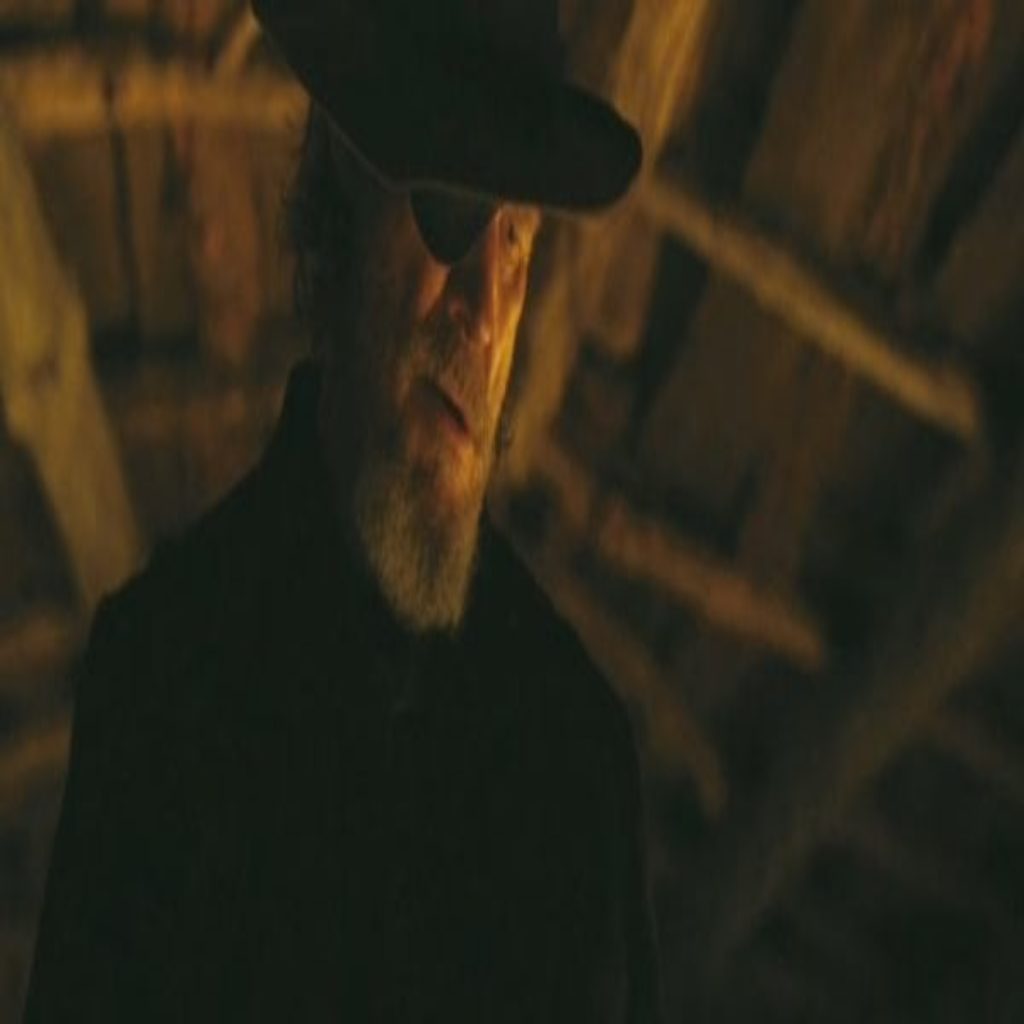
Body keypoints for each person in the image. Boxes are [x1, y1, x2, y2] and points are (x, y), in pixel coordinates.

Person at [25, 0, 660, 1020]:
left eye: (517, 241)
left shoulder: (574, 753)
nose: (483, 313)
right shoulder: (165, 679)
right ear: (342, 189)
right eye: (453, 210)